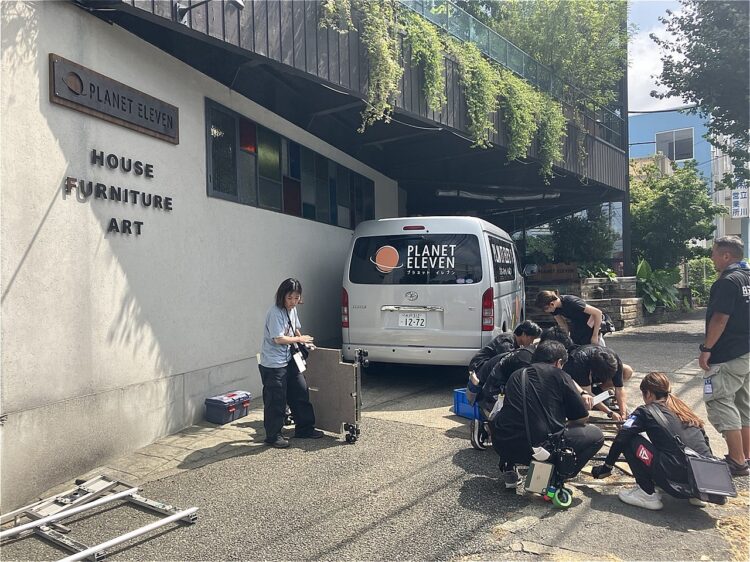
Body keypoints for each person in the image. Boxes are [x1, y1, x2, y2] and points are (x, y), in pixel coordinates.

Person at [591, 372, 715, 510]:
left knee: (630, 439)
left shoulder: (645, 411)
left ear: (648, 394)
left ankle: (647, 492)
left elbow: (622, 436)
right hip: (703, 480)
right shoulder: (683, 409)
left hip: (675, 477)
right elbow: (704, 440)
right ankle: (696, 496)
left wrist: (607, 466)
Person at [491, 340, 605, 489]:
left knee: (516, 419)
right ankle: (558, 474)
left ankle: (508, 465)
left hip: (503, 442)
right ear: (558, 362)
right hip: (539, 449)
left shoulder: (517, 374)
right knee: (596, 435)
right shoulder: (559, 375)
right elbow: (581, 418)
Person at [699, 236, 750, 476]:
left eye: (714, 253)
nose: (712, 258)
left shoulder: (727, 281)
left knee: (719, 400)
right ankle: (746, 455)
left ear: (726, 255)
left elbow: (720, 318)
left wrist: (706, 348)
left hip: (728, 353)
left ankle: (737, 460)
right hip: (746, 352)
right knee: (743, 404)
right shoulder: (747, 277)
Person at [258, 278, 324, 448]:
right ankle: (273, 436)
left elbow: (295, 329)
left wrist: (304, 342)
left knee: (301, 391)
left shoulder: (292, 310)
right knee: (276, 400)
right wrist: (300, 339)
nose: (293, 302)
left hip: (289, 359)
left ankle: (305, 429)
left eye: (296, 298)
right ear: (282, 296)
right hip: (273, 364)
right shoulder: (274, 313)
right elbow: (278, 339)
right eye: (289, 298)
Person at [563, 344, 634, 420]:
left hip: (593, 371)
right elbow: (587, 394)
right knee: (586, 402)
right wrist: (610, 412)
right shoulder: (579, 362)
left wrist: (623, 412)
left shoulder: (613, 359)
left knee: (627, 370)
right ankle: (597, 394)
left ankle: (600, 390)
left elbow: (619, 388)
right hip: (577, 381)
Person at [535, 290, 606, 346]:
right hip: (577, 325)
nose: (546, 311)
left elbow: (598, 313)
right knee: (574, 347)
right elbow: (562, 324)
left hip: (592, 324)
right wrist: (565, 339)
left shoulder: (571, 302)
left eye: (545, 309)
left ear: (552, 304)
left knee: (592, 347)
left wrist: (595, 336)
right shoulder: (554, 309)